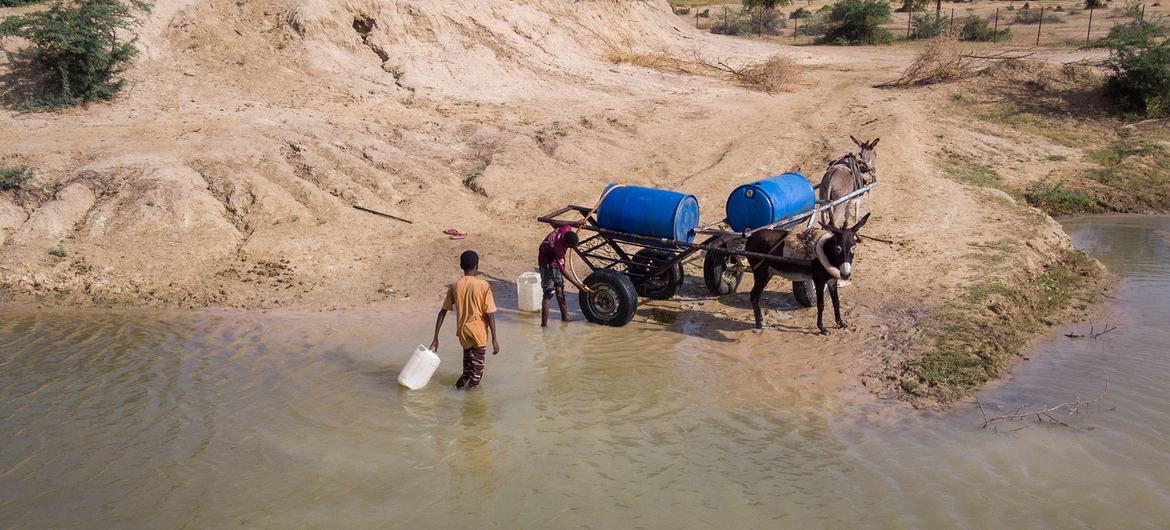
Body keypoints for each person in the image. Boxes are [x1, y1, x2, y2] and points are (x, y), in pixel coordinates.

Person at [431, 250, 500, 389]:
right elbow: (490, 314)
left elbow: (442, 312)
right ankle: (472, 404)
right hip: (478, 335)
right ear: (477, 267)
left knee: (466, 373)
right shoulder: (483, 286)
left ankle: (457, 391)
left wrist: (436, 337)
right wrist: (494, 339)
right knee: (476, 378)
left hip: (463, 334)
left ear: (461, 266)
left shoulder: (455, 286)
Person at [538, 224, 591, 327]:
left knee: (559, 288)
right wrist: (577, 285)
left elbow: (561, 223)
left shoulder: (565, 229)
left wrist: (578, 223)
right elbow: (562, 271)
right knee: (548, 293)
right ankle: (544, 326)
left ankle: (565, 318)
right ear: (566, 244)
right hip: (546, 261)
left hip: (553, 257)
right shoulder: (559, 250)